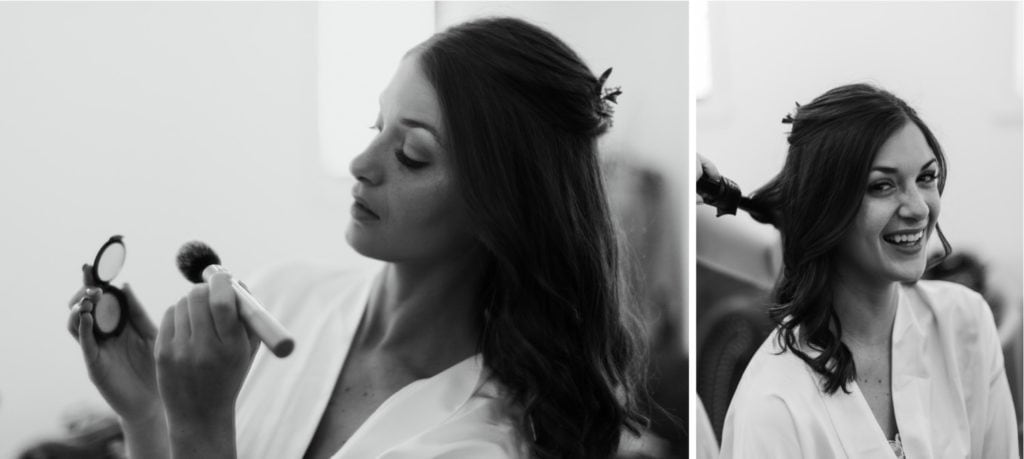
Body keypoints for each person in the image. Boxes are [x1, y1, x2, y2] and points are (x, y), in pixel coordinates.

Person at [66, 17, 648, 459]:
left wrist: (200, 428)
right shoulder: (282, 296)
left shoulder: (480, 441)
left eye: (411, 154)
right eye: (376, 126)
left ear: (500, 205)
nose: (360, 163)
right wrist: (148, 415)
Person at [709, 84, 1018, 458]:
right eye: (882, 186)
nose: (919, 208)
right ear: (826, 208)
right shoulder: (772, 406)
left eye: (926, 178)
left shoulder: (965, 324)